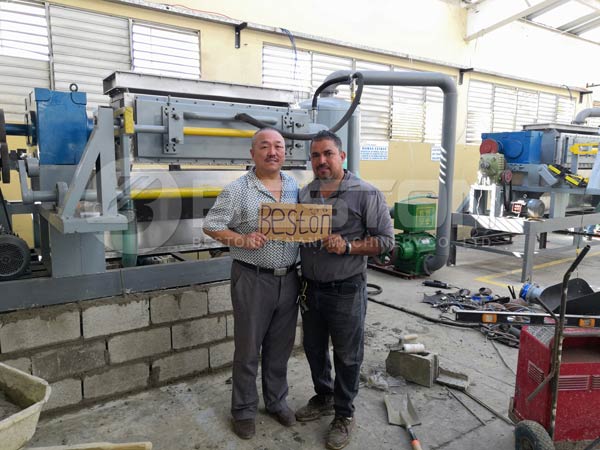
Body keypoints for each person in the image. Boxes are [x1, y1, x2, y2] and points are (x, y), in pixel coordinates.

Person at [296, 130, 394, 450]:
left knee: (348, 356)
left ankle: (344, 413)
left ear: (342, 156)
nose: (321, 161)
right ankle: (324, 396)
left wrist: (349, 245)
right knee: (313, 350)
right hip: (310, 288)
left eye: (327, 154)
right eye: (315, 155)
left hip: (346, 289)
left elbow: (386, 242)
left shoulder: (366, 193)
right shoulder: (305, 194)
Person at [203, 127, 299, 440]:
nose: (273, 152)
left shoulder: (294, 186)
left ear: (285, 152)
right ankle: (243, 410)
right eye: (265, 146)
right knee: (248, 350)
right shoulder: (238, 190)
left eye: (279, 146)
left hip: (289, 279)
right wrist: (241, 238)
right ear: (252, 153)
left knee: (279, 349)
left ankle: (276, 401)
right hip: (253, 278)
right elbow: (212, 225)